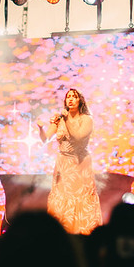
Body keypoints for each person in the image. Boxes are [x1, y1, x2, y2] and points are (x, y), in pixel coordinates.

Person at [37, 88, 102, 234]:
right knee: (62, 198)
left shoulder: (86, 119)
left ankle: (82, 233)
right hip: (63, 163)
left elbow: (78, 137)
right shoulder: (60, 119)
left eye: (74, 97)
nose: (70, 99)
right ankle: (62, 232)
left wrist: (66, 120)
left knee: (81, 198)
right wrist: (40, 128)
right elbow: (45, 139)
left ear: (80, 101)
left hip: (80, 162)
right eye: (68, 97)